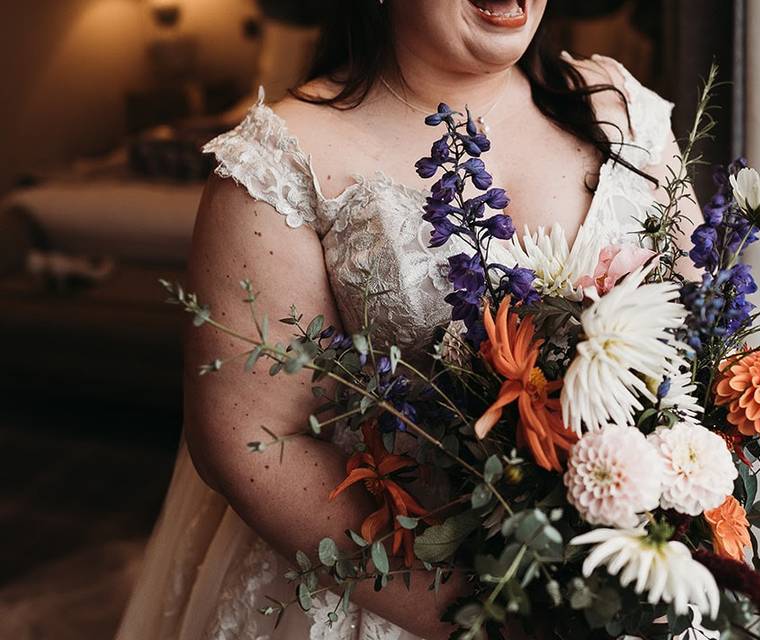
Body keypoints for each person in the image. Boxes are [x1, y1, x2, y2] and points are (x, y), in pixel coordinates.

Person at [116, 1, 698, 638]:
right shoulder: (282, 162)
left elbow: (701, 339)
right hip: (394, 592)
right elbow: (251, 443)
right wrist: (491, 618)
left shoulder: (620, 107)